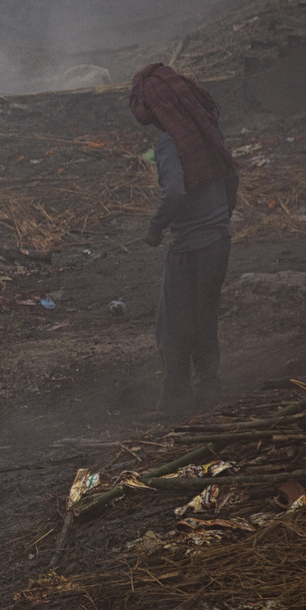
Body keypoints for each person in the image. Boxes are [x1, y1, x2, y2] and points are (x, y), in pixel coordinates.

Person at [130, 63, 239, 412]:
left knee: (173, 326)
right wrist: (221, 218)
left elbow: (175, 192)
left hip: (190, 248)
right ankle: (209, 389)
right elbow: (231, 177)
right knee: (205, 317)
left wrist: (155, 227)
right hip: (219, 241)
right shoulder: (209, 131)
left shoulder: (168, 144)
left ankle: (176, 399)